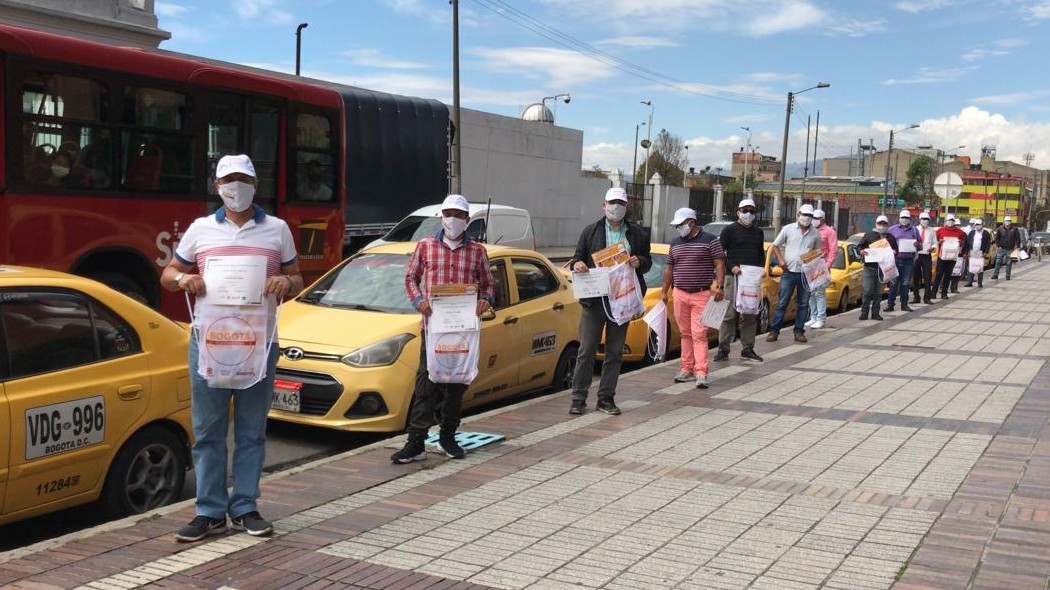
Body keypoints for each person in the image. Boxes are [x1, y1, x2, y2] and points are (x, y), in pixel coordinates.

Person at [162, 154, 302, 542]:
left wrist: (285, 285)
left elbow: (296, 278)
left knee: (251, 430)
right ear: (217, 185)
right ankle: (209, 510)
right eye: (228, 179)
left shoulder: (277, 229)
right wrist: (185, 279)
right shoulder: (199, 229)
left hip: (258, 342)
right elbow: (168, 273)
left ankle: (244, 507)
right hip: (208, 341)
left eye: (243, 179)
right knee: (207, 430)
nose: (235, 186)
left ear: (255, 185)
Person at [392, 194, 495, 463]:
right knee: (426, 382)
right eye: (448, 214)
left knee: (456, 384)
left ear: (467, 219)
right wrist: (418, 300)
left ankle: (448, 436)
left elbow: (488, 284)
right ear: (441, 216)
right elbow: (410, 278)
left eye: (459, 215)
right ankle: (416, 442)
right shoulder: (425, 246)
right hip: (433, 328)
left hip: (463, 330)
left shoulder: (477, 252)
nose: (453, 219)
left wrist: (486, 300)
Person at [568, 187, 651, 415]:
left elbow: (648, 261)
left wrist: (639, 261)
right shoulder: (590, 231)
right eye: (612, 202)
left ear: (627, 207)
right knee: (586, 351)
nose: (616, 207)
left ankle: (606, 398)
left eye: (621, 203)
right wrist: (578, 265)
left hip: (622, 301)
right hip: (594, 301)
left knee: (615, 352)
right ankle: (578, 398)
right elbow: (576, 259)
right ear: (604, 205)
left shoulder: (637, 234)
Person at [660, 207, 725, 389]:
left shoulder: (710, 241)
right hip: (680, 293)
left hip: (701, 294)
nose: (678, 228)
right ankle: (686, 368)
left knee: (699, 334)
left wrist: (719, 287)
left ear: (691, 222)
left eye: (680, 225)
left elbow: (719, 263)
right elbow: (669, 269)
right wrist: (664, 291)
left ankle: (701, 372)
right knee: (685, 333)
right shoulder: (675, 243)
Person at [715, 198, 765, 363]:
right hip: (733, 276)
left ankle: (748, 348)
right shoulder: (729, 230)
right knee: (728, 314)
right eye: (745, 210)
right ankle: (723, 348)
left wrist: (761, 271)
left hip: (751, 279)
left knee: (749, 313)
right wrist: (732, 266)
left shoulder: (758, 233)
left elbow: (760, 255)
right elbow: (720, 254)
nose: (748, 214)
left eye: (752, 211)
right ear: (738, 212)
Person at [766, 204, 821, 343]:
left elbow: (818, 252)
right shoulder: (788, 229)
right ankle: (774, 331)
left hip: (805, 274)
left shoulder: (815, 233)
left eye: (809, 216)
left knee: (803, 304)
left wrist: (812, 257)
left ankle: (799, 331)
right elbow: (775, 246)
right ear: (798, 214)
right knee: (782, 302)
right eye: (804, 215)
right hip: (789, 272)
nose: (806, 218)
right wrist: (780, 260)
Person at [857, 215, 899, 321]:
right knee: (867, 290)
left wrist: (894, 252)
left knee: (879, 292)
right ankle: (864, 312)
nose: (882, 226)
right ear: (876, 224)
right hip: (869, 268)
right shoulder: (869, 235)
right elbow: (859, 247)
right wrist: (861, 251)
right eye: (880, 223)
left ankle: (875, 313)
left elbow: (896, 250)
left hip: (883, 270)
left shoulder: (891, 238)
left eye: (884, 224)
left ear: (887, 225)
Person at [804, 208, 837, 329]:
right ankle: (813, 316)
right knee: (811, 292)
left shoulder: (829, 231)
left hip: (821, 265)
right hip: (810, 264)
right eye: (813, 218)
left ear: (822, 219)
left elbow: (833, 249)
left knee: (819, 292)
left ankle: (821, 318)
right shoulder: (809, 230)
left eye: (816, 218)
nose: (814, 220)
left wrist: (828, 265)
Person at [886, 210, 920, 312]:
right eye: (903, 217)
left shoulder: (914, 230)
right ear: (899, 218)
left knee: (905, 283)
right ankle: (890, 305)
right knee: (893, 283)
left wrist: (917, 245)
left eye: (906, 218)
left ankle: (904, 304)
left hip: (908, 261)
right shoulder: (892, 230)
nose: (904, 220)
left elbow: (920, 245)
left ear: (910, 219)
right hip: (895, 260)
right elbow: (886, 243)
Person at [934, 214, 969, 300]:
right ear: (946, 221)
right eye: (949, 220)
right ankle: (933, 292)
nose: (950, 222)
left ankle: (944, 293)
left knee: (948, 275)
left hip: (952, 257)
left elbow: (963, 244)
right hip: (942, 256)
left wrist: (960, 242)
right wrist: (939, 242)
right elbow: (935, 242)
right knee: (938, 274)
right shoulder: (940, 231)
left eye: (952, 220)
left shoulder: (960, 232)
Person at [910, 211, 937, 305]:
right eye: (923, 219)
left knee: (927, 277)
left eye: (927, 219)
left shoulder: (932, 230)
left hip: (927, 255)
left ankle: (927, 298)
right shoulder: (914, 229)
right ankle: (916, 297)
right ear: (919, 220)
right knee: (916, 277)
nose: (925, 221)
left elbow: (935, 243)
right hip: (917, 255)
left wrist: (933, 248)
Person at [965, 219, 992, 288]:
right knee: (971, 267)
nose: (978, 226)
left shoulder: (986, 233)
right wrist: (967, 252)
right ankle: (969, 282)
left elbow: (988, 244)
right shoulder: (972, 233)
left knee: (980, 268)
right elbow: (968, 242)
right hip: (972, 252)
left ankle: (980, 283)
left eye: (979, 225)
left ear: (982, 225)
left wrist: (985, 252)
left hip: (981, 253)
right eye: (976, 225)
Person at [992, 215, 1021, 280]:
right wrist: (998, 246)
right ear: (1004, 222)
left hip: (1010, 249)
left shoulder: (1014, 229)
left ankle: (1008, 276)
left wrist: (1017, 246)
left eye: (1009, 221)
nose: (1007, 222)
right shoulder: (1000, 229)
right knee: (998, 262)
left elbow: (1018, 238)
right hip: (1001, 248)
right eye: (1006, 221)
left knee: (1009, 263)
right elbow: (997, 239)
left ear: (1011, 222)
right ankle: (995, 275)